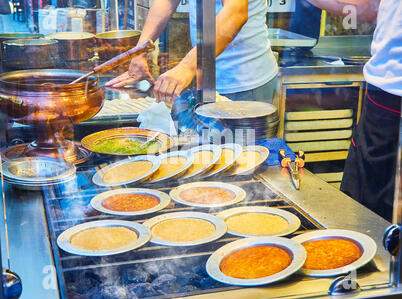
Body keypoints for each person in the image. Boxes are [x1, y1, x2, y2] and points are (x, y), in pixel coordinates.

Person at [307, 0, 402, 222]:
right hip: (387, 99)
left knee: (364, 220)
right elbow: (370, 9)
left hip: (390, 100)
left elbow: (366, 9)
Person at [105, 0, 278, 106]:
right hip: (206, 78)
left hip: (244, 82)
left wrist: (187, 67)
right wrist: (139, 52)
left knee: (243, 161)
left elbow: (236, 13)